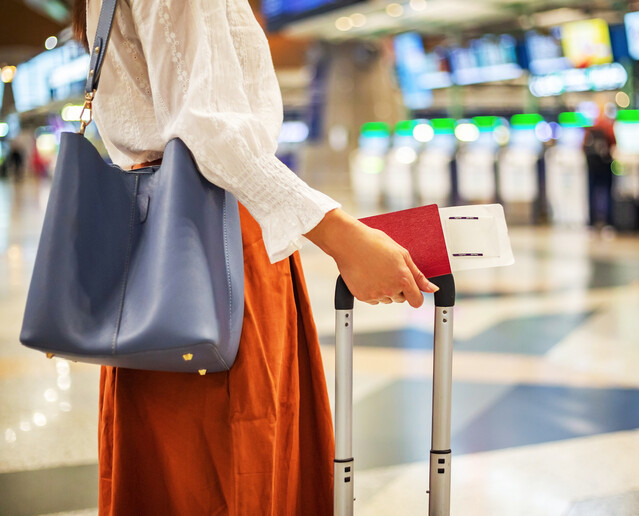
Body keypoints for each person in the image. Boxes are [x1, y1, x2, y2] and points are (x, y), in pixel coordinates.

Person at [72, 0, 437, 513]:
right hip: (212, 251)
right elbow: (210, 134)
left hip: (167, 254)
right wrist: (343, 237)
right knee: (230, 459)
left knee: (179, 463)